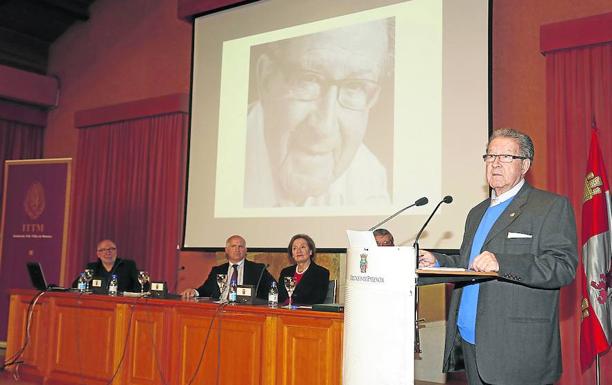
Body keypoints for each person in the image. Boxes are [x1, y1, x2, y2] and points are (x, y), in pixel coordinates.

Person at [418, 128, 578, 385]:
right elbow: (469, 265)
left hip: (516, 349)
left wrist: (502, 262)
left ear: (524, 165)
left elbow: (562, 267)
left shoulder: (549, 207)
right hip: (471, 342)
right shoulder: (477, 212)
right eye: (490, 156)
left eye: (505, 157)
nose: (495, 163)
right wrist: (437, 261)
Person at [244, 18, 394, 207]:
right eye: (308, 79)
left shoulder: (369, 178)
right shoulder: (212, 167)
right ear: (266, 79)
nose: (324, 128)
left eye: (355, 86)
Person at [181, 235, 275, 300]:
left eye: (240, 246)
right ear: (226, 250)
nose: (237, 249)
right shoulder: (217, 270)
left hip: (246, 311)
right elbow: (206, 290)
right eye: (233, 246)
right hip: (220, 309)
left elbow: (273, 288)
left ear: (246, 250)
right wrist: (194, 291)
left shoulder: (258, 269)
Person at [278, 234, 330, 305]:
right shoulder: (285, 272)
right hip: (284, 312)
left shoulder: (321, 273)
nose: (298, 251)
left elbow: (317, 300)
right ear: (292, 254)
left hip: (306, 314)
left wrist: (293, 304)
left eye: (302, 247)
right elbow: (279, 297)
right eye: (294, 248)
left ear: (310, 251)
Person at [73, 239, 140, 292]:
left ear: (116, 251)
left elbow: (139, 286)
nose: (108, 252)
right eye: (103, 250)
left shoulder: (128, 265)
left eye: (111, 249)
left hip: (122, 304)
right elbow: (76, 285)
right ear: (98, 254)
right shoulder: (93, 267)